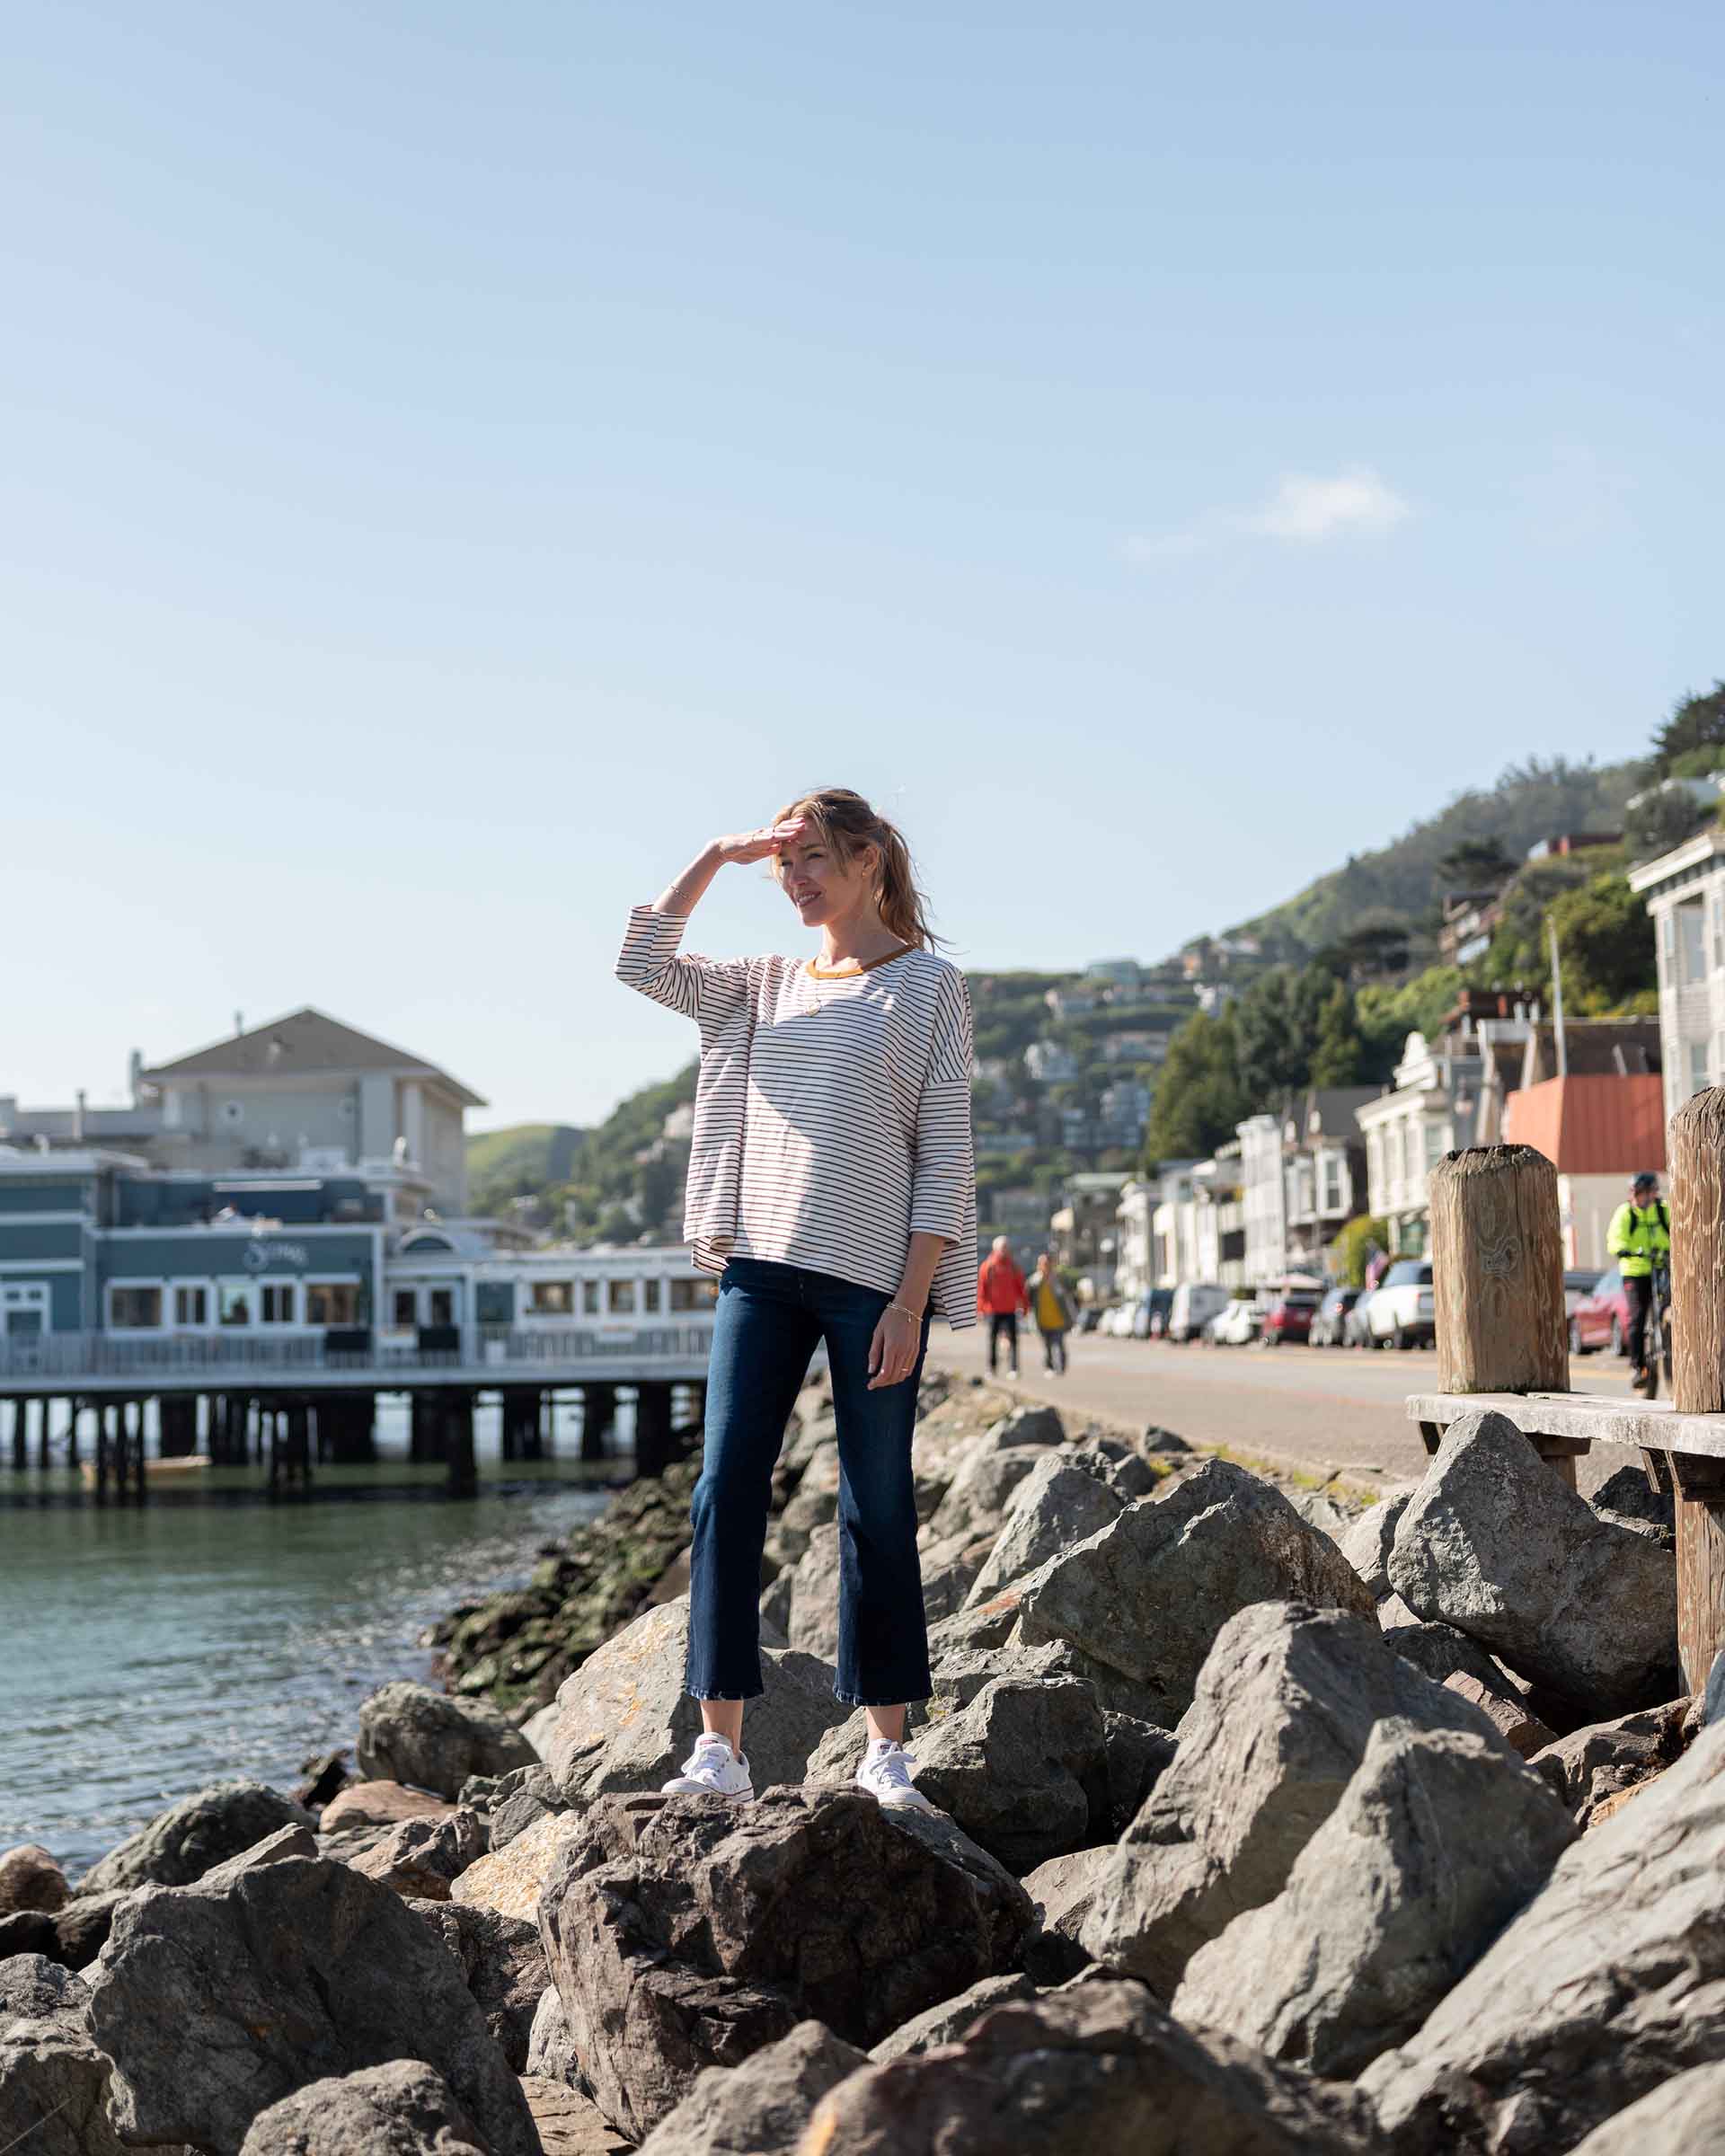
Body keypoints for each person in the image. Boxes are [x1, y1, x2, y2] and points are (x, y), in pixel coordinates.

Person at [615, 789, 976, 1813]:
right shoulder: (762, 986)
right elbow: (642, 962)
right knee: (726, 1487)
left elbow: (943, 1153)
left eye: (814, 857)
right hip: (762, 1273)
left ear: (869, 860)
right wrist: (715, 855)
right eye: (785, 865)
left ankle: (886, 1750)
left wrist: (912, 1301)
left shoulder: (931, 988)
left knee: (879, 1505)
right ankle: (720, 1745)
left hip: (872, 1286)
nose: (796, 879)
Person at [1607, 1171, 1671, 1391]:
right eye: (1635, 1193)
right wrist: (1626, 1250)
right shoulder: (1626, 1213)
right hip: (1634, 1271)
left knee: (1672, 1308)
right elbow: (1615, 1240)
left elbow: (1678, 1232)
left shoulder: (1663, 1211)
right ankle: (1638, 1366)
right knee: (1637, 1316)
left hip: (1661, 1266)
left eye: (1643, 1193)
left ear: (1653, 1193)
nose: (1638, 1198)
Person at [977, 1236, 1027, 1376]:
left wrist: (1025, 1307)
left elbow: (1021, 1289)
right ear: (995, 1249)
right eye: (1002, 1247)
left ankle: (1014, 1368)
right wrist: (980, 1309)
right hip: (993, 1311)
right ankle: (991, 1368)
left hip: (1010, 1310)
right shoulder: (987, 1267)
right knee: (992, 1340)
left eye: (1006, 1247)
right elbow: (982, 1290)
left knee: (1014, 1341)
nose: (1005, 1250)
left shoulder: (1014, 1267)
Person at [1029, 1251, 1075, 1374]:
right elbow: (1028, 1299)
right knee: (1047, 1346)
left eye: (1047, 1264)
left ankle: (1060, 1368)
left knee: (1058, 1345)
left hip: (1058, 1320)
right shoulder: (1034, 1281)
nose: (1045, 1266)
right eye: (1043, 1264)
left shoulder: (1058, 1280)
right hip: (1042, 1320)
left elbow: (1069, 1297)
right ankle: (1049, 1367)